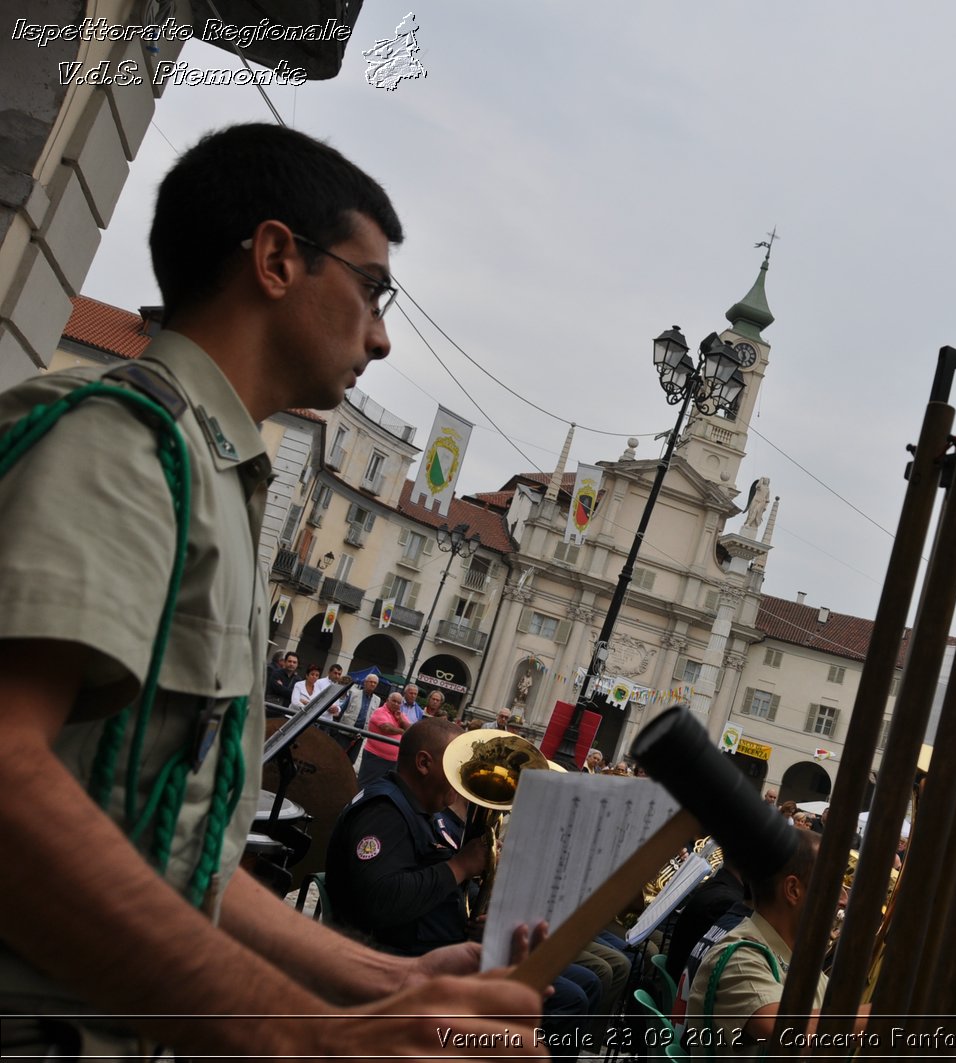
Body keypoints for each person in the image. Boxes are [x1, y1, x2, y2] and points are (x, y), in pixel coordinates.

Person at [0, 122, 546, 1057]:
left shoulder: (208, 473)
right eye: (374, 290)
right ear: (276, 259)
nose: (379, 335)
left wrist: (390, 979)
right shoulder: (130, 450)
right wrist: (313, 1038)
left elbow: (174, 857)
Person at [325, 718, 592, 1055]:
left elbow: (425, 882)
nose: (460, 777)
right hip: (397, 956)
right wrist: (460, 866)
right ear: (423, 763)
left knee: (578, 984)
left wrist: (477, 917)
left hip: (429, 942)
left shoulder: (416, 809)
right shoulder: (385, 812)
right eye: (455, 764)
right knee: (568, 999)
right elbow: (381, 901)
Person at [682, 831, 849, 1055]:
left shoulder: (795, 957)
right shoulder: (740, 957)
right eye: (834, 885)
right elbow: (793, 1033)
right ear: (793, 890)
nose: (843, 900)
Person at [358, 690, 410, 788]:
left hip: (392, 760)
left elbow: (410, 730)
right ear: (387, 700)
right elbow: (386, 728)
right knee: (365, 784)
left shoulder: (400, 714)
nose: (396, 704)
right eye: (394, 701)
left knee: (382, 787)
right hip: (375, 757)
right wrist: (402, 731)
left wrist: (401, 721)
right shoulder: (380, 711)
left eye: (399, 703)